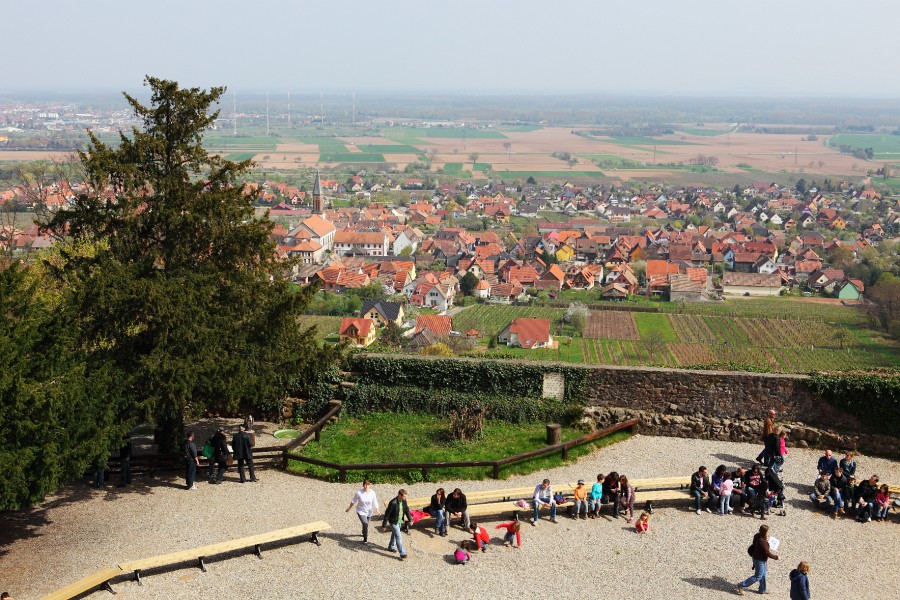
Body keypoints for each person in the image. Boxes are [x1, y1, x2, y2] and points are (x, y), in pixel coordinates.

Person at [737, 524, 779, 595]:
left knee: (764, 574)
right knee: (758, 576)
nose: (768, 532)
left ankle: (762, 589)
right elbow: (767, 553)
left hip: (758, 558)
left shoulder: (758, 536)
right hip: (759, 560)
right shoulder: (762, 541)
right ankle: (742, 585)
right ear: (765, 532)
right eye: (768, 531)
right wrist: (776, 557)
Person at [346, 479, 379, 544]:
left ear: (370, 485)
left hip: (369, 511)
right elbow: (353, 501)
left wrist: (377, 510)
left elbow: (375, 501)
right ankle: (365, 538)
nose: (365, 487)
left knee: (366, 524)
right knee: (365, 523)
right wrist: (349, 508)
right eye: (364, 485)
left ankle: (364, 531)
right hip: (361, 511)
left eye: (367, 485)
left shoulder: (372, 493)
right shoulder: (359, 492)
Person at [381, 489, 411, 560]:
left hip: (399, 521)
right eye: (404, 496)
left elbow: (406, 509)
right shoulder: (393, 502)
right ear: (399, 495)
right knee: (398, 536)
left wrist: (410, 519)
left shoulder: (404, 500)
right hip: (393, 522)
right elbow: (387, 514)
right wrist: (384, 525)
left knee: (394, 534)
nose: (405, 498)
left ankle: (391, 547)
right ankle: (402, 553)